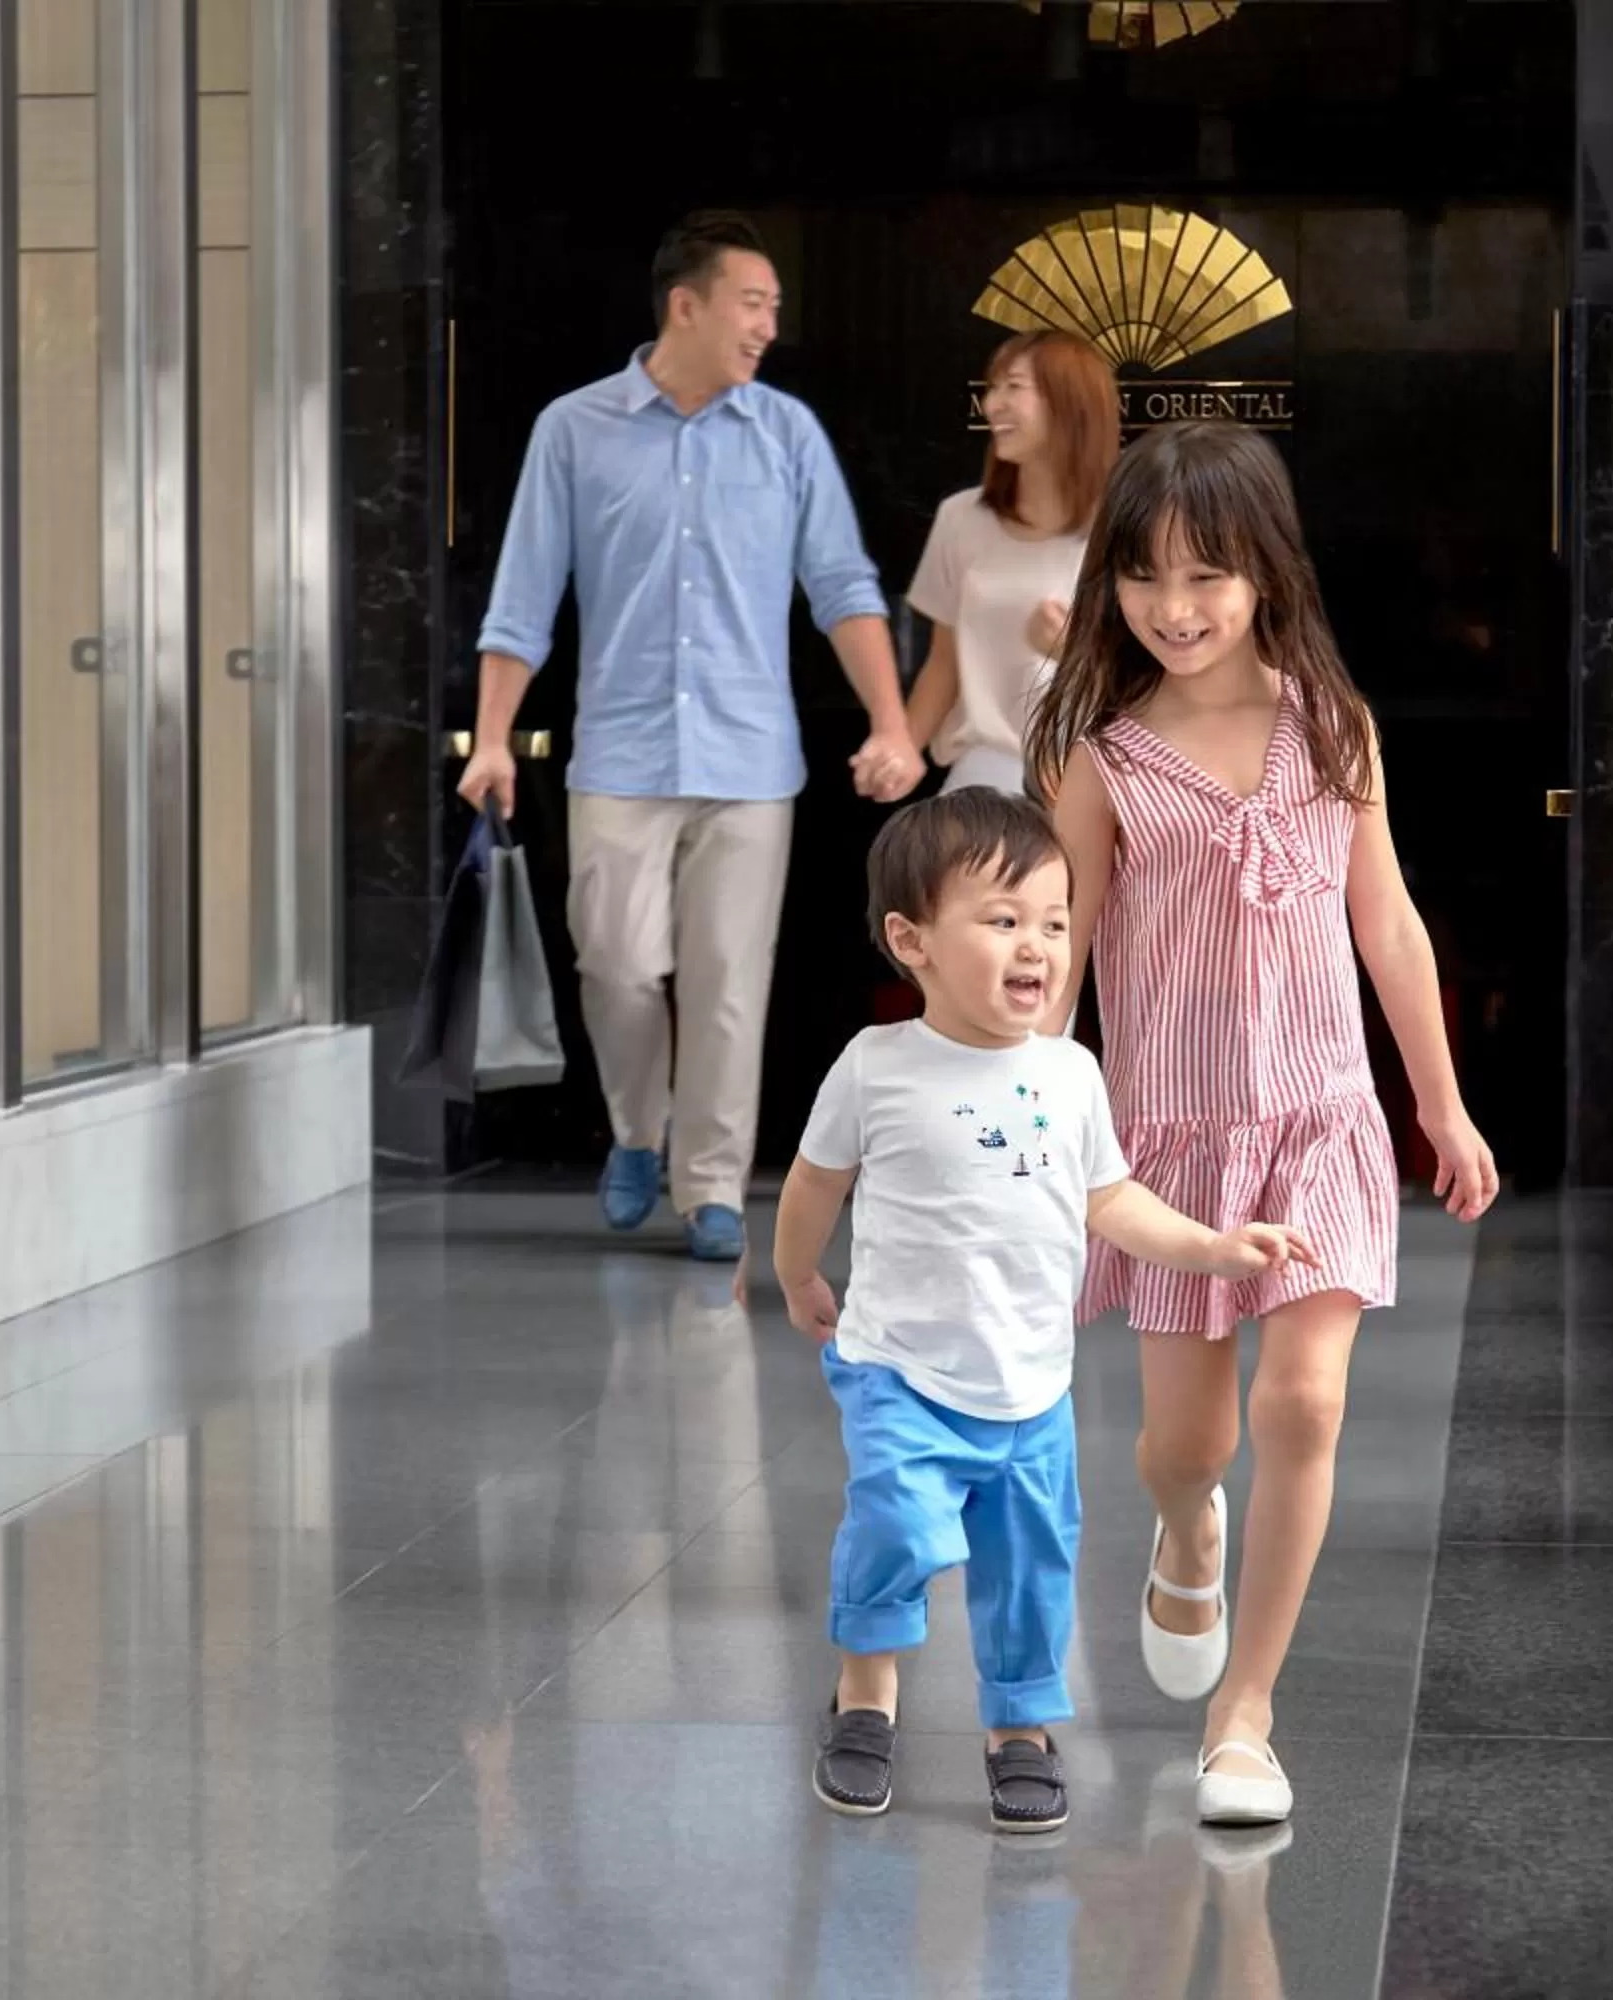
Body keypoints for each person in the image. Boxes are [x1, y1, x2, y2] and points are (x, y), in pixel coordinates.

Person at [1027, 419, 1501, 1827]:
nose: (1175, 609)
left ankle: (1247, 1712)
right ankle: (1186, 1534)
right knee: (1188, 1446)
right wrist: (1028, 1135)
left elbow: (1391, 927)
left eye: (1208, 578)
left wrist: (1441, 1105)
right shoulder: (1101, 760)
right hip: (1170, 1149)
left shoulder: (1331, 730)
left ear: (1265, 577)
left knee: (1302, 1401)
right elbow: (1054, 955)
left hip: (1319, 1127)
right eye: (1146, 579)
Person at [772, 787, 1317, 1835]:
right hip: (900, 1370)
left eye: (1057, 923)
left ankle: (1019, 1726)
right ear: (911, 939)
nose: (1038, 946)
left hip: (1031, 1387)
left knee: (1030, 1569)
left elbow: (1108, 1198)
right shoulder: (875, 1065)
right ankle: (866, 1692)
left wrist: (1210, 1244)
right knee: (891, 1523)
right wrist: (799, 1273)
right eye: (1004, 919)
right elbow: (812, 1183)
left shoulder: (1071, 1073)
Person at [461, 212, 924, 1265]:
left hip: (750, 760)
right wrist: (492, 737)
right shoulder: (574, 430)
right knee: (616, 964)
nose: (769, 325)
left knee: (727, 981)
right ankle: (636, 1129)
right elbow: (522, 597)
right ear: (688, 303)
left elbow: (842, 586)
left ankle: (711, 1184)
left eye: (774, 308)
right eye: (752, 303)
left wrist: (891, 720)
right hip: (619, 755)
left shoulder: (787, 436)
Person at [902, 330, 1118, 798]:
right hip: (988, 769)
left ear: (1069, 402)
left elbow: (1160, 678)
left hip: (1100, 773)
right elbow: (944, 664)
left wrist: (1072, 650)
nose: (992, 404)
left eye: (1013, 388)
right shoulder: (961, 518)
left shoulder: (1128, 525)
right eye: (992, 388)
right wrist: (901, 747)